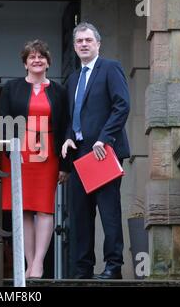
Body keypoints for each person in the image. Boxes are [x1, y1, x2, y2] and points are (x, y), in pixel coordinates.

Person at [61, 22, 130, 279]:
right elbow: (73, 116)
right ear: (75, 46)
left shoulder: (110, 68)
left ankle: (113, 266)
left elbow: (122, 105)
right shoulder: (72, 79)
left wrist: (105, 138)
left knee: (108, 212)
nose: (84, 44)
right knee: (80, 214)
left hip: (103, 152)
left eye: (88, 40)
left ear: (98, 44)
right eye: (79, 41)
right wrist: (68, 137)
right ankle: (83, 269)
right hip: (80, 154)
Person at [0, 40, 69, 279]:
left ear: (48, 62)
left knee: (44, 208)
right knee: (23, 209)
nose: (37, 60)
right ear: (25, 63)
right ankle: (28, 263)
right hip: (19, 153)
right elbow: (4, 121)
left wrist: (65, 164)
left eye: (41, 57)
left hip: (48, 153)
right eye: (32, 57)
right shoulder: (11, 88)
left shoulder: (60, 91)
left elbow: (66, 126)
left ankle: (39, 263)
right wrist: (11, 151)